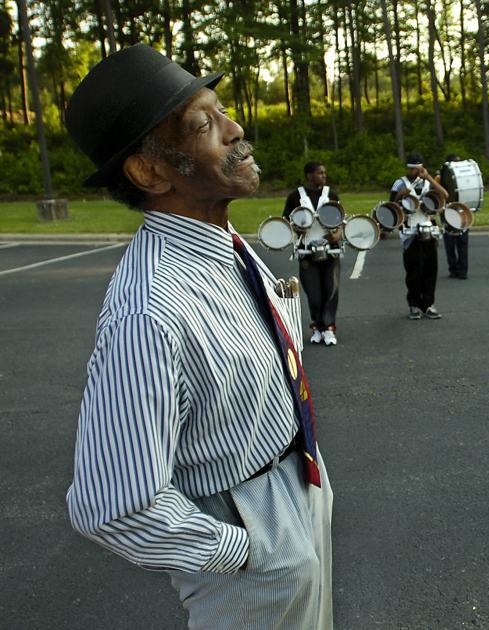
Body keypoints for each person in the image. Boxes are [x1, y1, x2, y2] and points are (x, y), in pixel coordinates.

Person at [63, 44, 333, 630]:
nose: (236, 129)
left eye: (222, 110)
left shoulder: (223, 243)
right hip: (248, 527)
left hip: (294, 480)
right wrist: (250, 550)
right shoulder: (151, 311)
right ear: (150, 171)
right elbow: (115, 505)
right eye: (203, 124)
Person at [282, 162, 342, 345]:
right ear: (309, 175)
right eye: (319, 173)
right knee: (314, 294)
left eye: (324, 172)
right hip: (306, 252)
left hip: (331, 252)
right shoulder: (295, 196)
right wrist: (296, 229)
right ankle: (317, 327)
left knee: (330, 291)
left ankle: (329, 328)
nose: (324, 175)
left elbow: (340, 222)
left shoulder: (331, 195)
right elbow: (286, 220)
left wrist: (336, 236)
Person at [390, 152, 449, 319]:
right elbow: (391, 207)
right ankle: (414, 304)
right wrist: (400, 194)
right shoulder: (400, 183)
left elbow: (444, 195)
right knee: (413, 270)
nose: (417, 171)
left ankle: (429, 304)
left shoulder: (428, 183)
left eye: (420, 168)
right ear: (409, 168)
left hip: (428, 229)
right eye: (414, 168)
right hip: (410, 231)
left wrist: (429, 177)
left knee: (431, 269)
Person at [438, 154, 469, 279]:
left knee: (462, 242)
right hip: (447, 212)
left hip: (461, 211)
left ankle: (463, 270)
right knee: (450, 243)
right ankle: (453, 269)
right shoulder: (441, 177)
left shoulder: (464, 177)